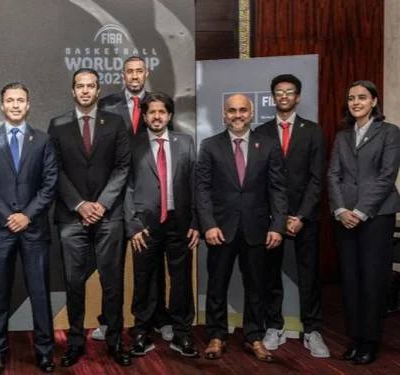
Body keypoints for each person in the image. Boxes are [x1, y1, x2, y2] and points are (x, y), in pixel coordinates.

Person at [48, 68, 132, 367]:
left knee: (112, 283)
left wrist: (101, 205)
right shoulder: (57, 125)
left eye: (91, 86)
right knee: (73, 282)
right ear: (73, 91)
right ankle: (74, 342)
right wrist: (80, 204)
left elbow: (123, 167)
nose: (85, 91)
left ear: (98, 91)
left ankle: (114, 341)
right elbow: (54, 170)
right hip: (71, 217)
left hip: (109, 216)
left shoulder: (116, 122)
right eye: (80, 86)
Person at [196, 93, 287, 362]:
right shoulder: (210, 145)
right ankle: (216, 336)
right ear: (224, 114)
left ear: (251, 113)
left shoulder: (268, 145)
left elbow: (278, 190)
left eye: (243, 110)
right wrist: (208, 224)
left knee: (257, 286)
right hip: (220, 230)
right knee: (217, 285)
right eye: (232, 110)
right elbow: (201, 189)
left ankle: (254, 337)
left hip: (257, 228)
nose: (237, 115)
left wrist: (278, 225)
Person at [0, 82, 58, 375]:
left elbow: (49, 184)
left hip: (34, 230)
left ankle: (45, 351)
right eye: (10, 100)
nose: (15, 105)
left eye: (20, 100)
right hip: (0, 229)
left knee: (40, 293)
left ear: (28, 105)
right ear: (2, 105)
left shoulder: (43, 140)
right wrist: (10, 216)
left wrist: (27, 216)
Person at [98, 56, 174, 342]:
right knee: (112, 266)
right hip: (114, 195)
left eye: (139, 71)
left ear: (146, 73)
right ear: (122, 74)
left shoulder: (158, 104)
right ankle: (109, 322)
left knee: (152, 264)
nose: (134, 75)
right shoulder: (106, 105)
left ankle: (157, 317)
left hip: (149, 196)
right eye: (129, 71)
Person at [254, 74, 328, 357]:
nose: (284, 96)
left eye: (290, 92)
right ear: (273, 97)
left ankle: (312, 330)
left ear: (297, 97)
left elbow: (316, 178)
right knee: (270, 273)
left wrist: (301, 216)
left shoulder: (313, 131)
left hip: (305, 217)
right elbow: (259, 180)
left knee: (309, 274)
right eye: (279, 92)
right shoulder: (260, 133)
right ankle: (274, 326)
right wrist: (279, 216)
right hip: (273, 218)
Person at [327, 80, 400, 365]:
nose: (356, 102)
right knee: (351, 281)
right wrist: (341, 210)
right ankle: (356, 338)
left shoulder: (389, 133)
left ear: (374, 101)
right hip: (344, 217)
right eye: (351, 98)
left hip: (376, 217)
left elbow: (386, 176)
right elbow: (333, 175)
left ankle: (370, 341)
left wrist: (360, 211)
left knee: (373, 280)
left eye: (362, 97)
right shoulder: (343, 136)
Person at [124, 92, 200, 358]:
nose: (157, 116)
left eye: (162, 112)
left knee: (181, 282)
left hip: (179, 225)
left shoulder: (186, 142)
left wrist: (196, 222)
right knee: (143, 280)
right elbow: (126, 187)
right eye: (151, 112)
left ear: (169, 115)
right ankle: (141, 332)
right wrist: (132, 225)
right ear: (144, 116)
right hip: (144, 227)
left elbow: (195, 185)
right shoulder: (132, 144)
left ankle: (182, 334)